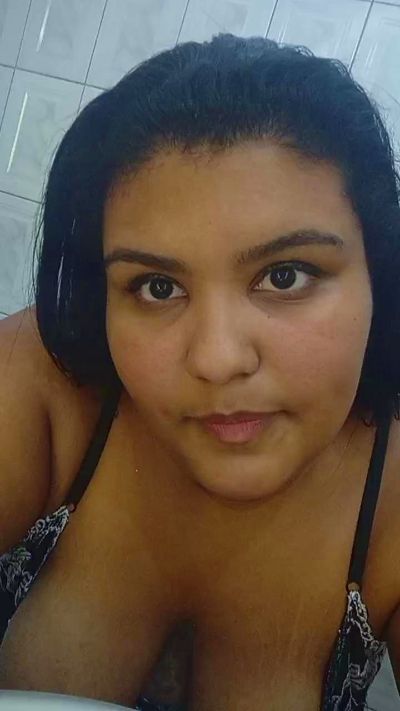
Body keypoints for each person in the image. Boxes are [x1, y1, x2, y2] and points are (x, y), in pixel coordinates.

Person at [0, 31, 399, 711]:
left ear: (378, 275)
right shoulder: (47, 378)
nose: (216, 359)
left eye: (285, 275)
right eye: (157, 287)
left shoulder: (390, 494)